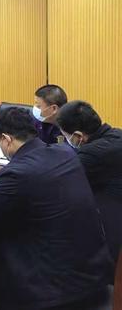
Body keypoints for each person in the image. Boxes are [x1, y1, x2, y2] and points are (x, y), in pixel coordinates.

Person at [0, 108, 112, 310]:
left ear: (6, 139)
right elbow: (40, 182)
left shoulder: (17, 172)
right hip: (93, 271)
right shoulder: (65, 153)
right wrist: (0, 183)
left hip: (54, 287)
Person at [57, 100, 122, 266]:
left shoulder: (91, 154)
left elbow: (62, 186)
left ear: (78, 136)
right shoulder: (117, 134)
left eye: (65, 136)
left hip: (111, 230)